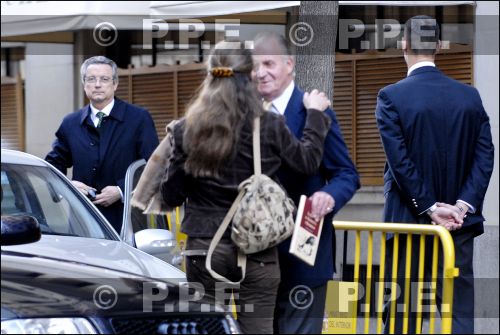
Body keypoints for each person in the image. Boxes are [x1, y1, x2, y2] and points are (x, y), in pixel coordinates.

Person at [161, 41, 332, 334]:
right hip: (258, 250)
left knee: (208, 328)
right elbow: (307, 162)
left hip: (205, 249)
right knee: (258, 328)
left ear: (209, 75)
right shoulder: (269, 124)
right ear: (250, 74)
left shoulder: (186, 128)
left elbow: (171, 195)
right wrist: (316, 114)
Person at [375, 15, 494, 334]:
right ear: (439, 46)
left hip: (408, 225)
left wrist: (429, 207)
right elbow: (485, 156)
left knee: (404, 317)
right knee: (458, 315)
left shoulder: (390, 97)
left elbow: (399, 162)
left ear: (404, 44)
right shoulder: (469, 97)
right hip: (459, 226)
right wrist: (462, 205)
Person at [252, 32, 360, 334]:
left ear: (290, 64)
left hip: (303, 252)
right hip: (255, 257)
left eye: (269, 63)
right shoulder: (246, 115)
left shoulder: (317, 112)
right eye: (255, 66)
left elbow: (346, 173)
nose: (261, 73)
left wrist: (328, 196)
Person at [46, 56, 159, 232]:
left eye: (104, 79)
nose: (97, 84)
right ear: (84, 84)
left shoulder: (138, 119)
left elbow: (154, 165)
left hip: (127, 220)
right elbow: (52, 165)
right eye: (91, 79)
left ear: (115, 84)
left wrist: (121, 191)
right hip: (82, 220)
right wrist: (68, 185)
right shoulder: (71, 123)